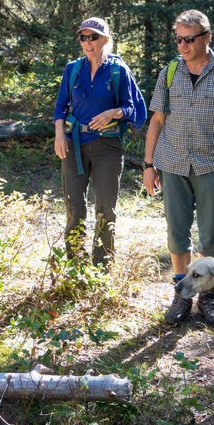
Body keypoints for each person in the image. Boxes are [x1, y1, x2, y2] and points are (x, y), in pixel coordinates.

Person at [143, 9, 214, 328]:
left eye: (189, 39)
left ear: (207, 37)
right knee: (177, 235)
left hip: (210, 166)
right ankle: (182, 296)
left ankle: (208, 297)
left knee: (210, 239)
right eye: (178, 38)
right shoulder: (170, 72)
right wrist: (149, 165)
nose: (183, 45)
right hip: (173, 163)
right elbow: (157, 121)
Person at [53, 17, 147, 267]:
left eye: (93, 37)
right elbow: (61, 106)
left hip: (108, 148)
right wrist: (59, 134)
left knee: (105, 208)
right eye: (83, 37)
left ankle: (101, 267)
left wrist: (113, 113)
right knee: (74, 207)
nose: (87, 42)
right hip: (74, 145)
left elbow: (132, 108)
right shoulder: (73, 69)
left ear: (106, 40)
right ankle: (75, 267)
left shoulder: (118, 71)